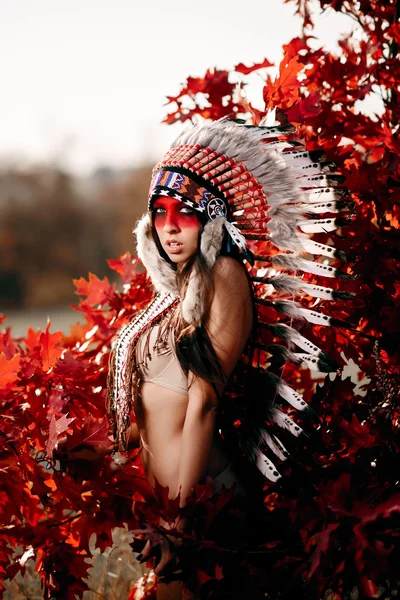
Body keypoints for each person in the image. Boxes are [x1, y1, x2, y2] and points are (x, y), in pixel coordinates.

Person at [60, 118, 351, 599]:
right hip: (168, 512)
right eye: (159, 213)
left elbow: (202, 404)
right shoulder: (168, 301)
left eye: (184, 213)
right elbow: (146, 417)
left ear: (210, 217)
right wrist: (81, 450)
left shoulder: (224, 275)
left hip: (203, 507)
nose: (169, 227)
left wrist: (181, 522)